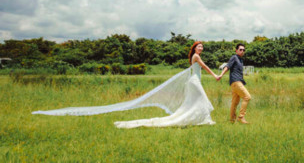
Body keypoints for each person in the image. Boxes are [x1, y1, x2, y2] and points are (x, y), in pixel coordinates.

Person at [33, 41, 219, 128]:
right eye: (198, 46)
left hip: (193, 81)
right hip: (194, 82)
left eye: (202, 46)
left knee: (194, 102)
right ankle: (198, 119)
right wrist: (217, 75)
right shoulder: (196, 57)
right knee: (200, 99)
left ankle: (199, 119)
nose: (200, 48)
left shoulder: (196, 56)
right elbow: (205, 67)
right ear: (194, 49)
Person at [217, 43, 251, 124]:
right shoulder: (234, 57)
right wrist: (221, 75)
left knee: (235, 102)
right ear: (236, 50)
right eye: (240, 49)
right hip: (236, 82)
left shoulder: (240, 60)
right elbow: (227, 66)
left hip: (236, 82)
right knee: (247, 97)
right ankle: (241, 117)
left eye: (243, 50)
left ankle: (232, 120)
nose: (242, 51)